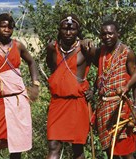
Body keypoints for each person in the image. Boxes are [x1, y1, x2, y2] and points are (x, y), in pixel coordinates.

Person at [0, 13, 39, 159]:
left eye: (9, 27)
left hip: (19, 100)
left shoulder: (17, 46)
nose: (6, 29)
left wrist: (35, 84)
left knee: (17, 145)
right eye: (3, 26)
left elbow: (32, 62)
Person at [46, 14, 94, 159]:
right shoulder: (52, 48)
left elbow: (104, 67)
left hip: (77, 102)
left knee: (78, 148)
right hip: (57, 103)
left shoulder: (86, 48)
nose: (68, 33)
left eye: (72, 29)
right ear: (59, 30)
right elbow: (53, 69)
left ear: (78, 30)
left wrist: (94, 90)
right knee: (53, 145)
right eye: (64, 29)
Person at [92, 20, 136, 158]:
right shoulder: (100, 53)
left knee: (126, 151)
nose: (107, 37)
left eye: (110, 33)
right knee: (110, 152)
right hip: (104, 108)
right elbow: (101, 77)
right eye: (103, 34)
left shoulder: (127, 53)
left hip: (121, 107)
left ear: (117, 33)